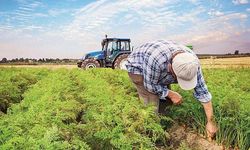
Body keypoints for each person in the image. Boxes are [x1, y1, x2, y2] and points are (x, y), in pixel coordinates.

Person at [126, 40, 217, 138]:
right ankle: (151, 135)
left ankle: (164, 123)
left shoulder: (193, 63)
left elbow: (203, 93)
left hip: (158, 69)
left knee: (166, 100)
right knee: (151, 102)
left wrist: (210, 122)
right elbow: (150, 86)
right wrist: (171, 94)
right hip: (138, 68)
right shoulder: (156, 60)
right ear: (170, 68)